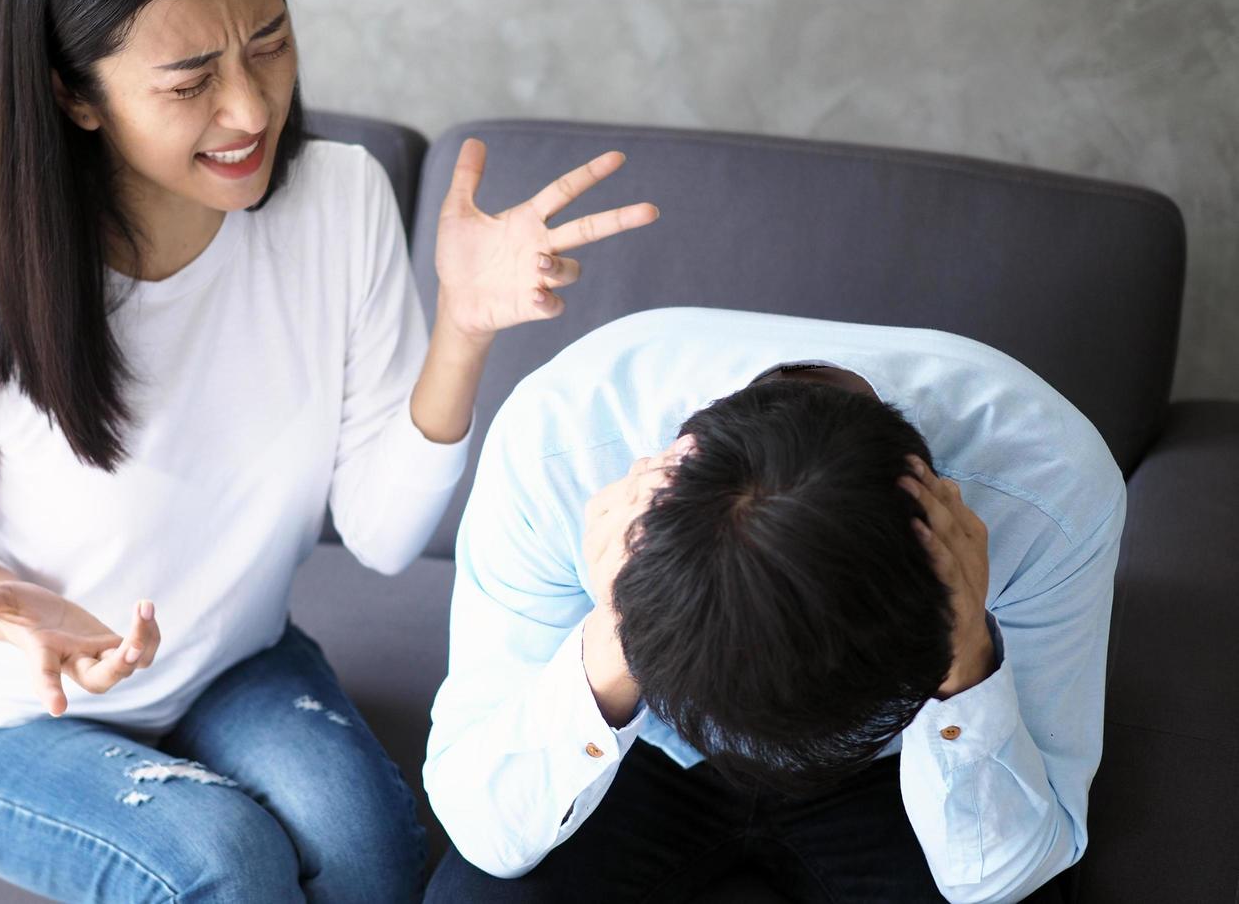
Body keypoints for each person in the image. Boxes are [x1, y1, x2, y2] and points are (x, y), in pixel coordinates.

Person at [0, 0, 658, 901]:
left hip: (232, 661)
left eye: (270, 42)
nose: (250, 106)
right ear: (75, 92)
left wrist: (464, 328)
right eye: (190, 78)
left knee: (375, 858)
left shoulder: (341, 201)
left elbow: (380, 534)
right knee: (229, 860)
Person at [423, 307, 1125, 903]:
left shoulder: (1051, 491)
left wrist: (967, 655)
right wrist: (620, 625)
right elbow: (484, 826)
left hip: (890, 766)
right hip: (646, 745)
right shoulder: (561, 443)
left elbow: (1008, 873)